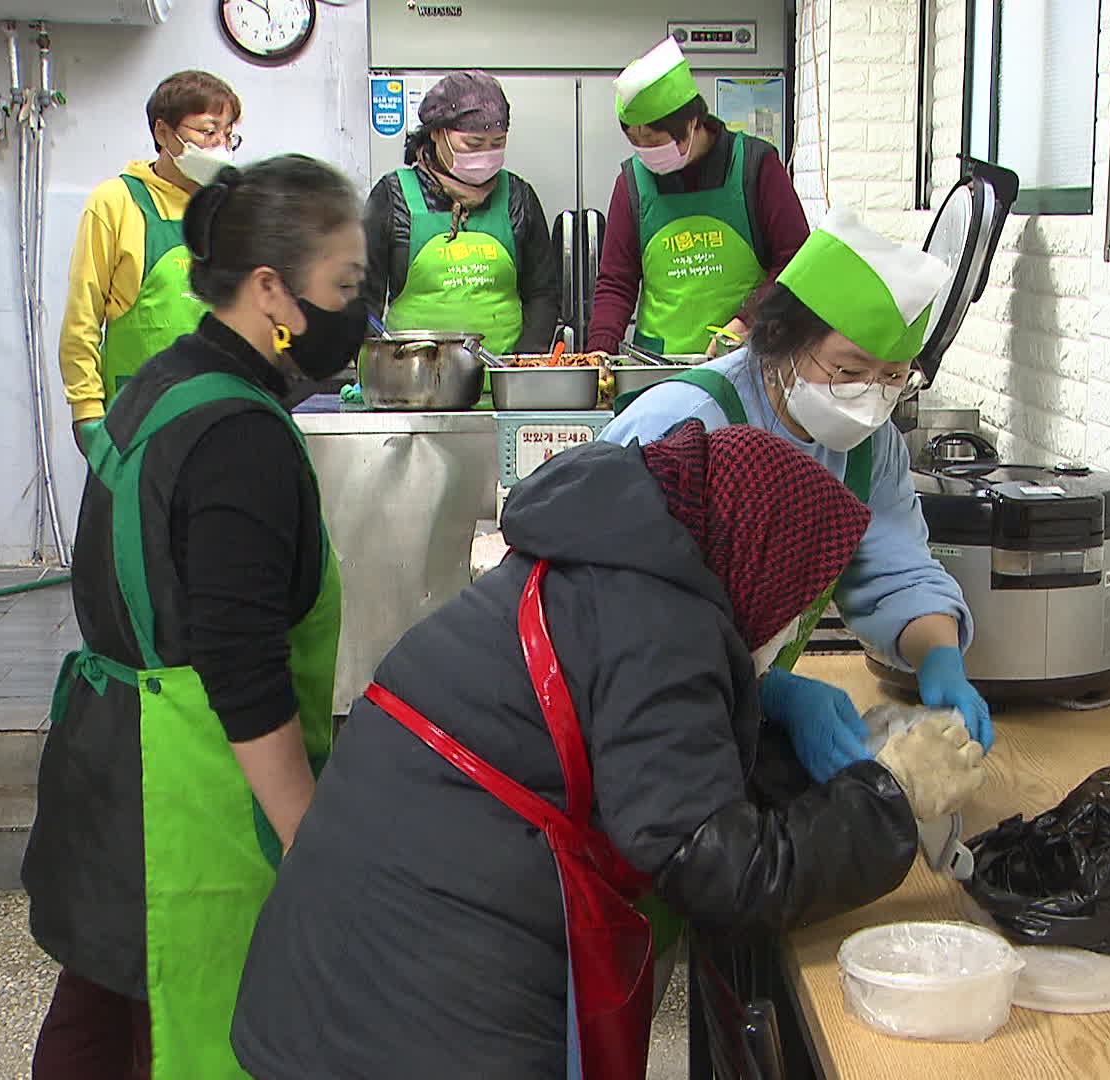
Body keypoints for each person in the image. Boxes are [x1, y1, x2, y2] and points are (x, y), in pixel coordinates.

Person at [232, 421, 986, 1078]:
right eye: (797, 602)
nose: (790, 628)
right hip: (413, 999)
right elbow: (718, 868)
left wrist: (788, 750)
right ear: (755, 561)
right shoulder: (657, 624)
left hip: (360, 957)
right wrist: (889, 796)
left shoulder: (616, 564)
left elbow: (666, 767)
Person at [24, 155, 366, 1079]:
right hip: (194, 798)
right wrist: (308, 838)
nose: (359, 310)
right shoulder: (240, 437)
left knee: (102, 1010)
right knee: (191, 1032)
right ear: (271, 291)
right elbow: (240, 662)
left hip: (112, 761)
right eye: (344, 283)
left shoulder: (164, 382)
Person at [599, 208, 993, 763]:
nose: (870, 397)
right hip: (623, 717)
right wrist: (765, 688)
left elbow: (896, 568)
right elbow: (612, 608)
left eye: (893, 377)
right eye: (848, 371)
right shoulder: (685, 423)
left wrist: (940, 659)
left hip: (716, 724)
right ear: (780, 339)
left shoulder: (870, 448)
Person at [589, 36, 810, 357]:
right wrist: (599, 352)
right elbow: (615, 283)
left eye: (652, 139)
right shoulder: (632, 183)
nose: (644, 152)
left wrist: (747, 321)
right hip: (658, 368)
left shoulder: (753, 166)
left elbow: (796, 262)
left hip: (744, 361)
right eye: (634, 140)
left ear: (691, 123)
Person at [58, 71, 243, 450]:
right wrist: (87, 413)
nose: (220, 146)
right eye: (209, 132)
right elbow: (82, 319)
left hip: (216, 418)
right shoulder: (116, 202)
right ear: (163, 132)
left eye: (228, 135)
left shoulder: (229, 208)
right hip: (137, 421)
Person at [364, 70, 561, 398]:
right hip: (413, 391)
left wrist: (522, 366)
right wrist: (376, 368)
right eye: (472, 144)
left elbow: (543, 294)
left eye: (497, 144)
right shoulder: (393, 195)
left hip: (505, 389)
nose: (485, 154)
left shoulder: (518, 196)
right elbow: (363, 300)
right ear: (438, 134)